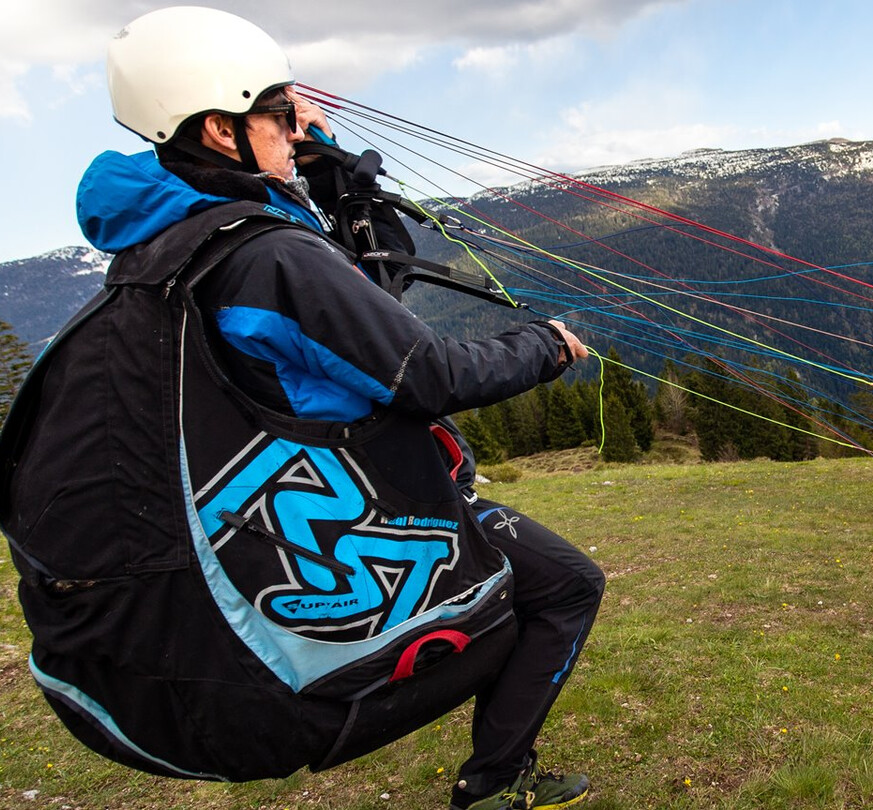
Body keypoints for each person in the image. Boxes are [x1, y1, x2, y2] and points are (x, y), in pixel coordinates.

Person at [87, 7, 604, 809]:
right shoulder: (269, 255)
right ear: (223, 132)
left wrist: (322, 174)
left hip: (291, 505)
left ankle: (495, 773)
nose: (296, 129)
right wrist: (545, 344)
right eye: (280, 113)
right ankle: (494, 783)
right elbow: (426, 372)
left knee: (548, 586)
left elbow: (362, 297)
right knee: (563, 588)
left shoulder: (175, 239)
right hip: (366, 503)